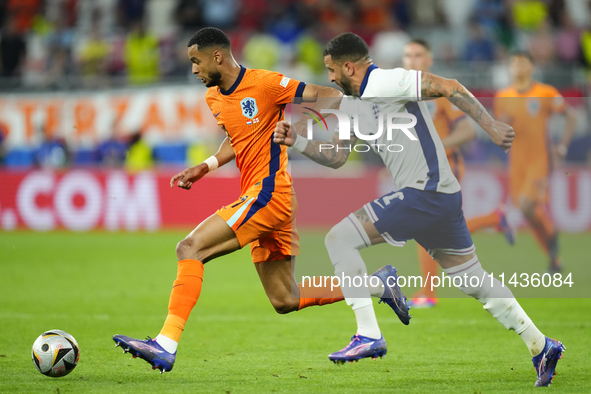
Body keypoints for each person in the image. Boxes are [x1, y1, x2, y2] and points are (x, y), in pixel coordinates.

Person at [113, 27, 409, 373]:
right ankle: (377, 284)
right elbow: (235, 137)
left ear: (217, 56)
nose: (193, 69)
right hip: (270, 197)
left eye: (196, 61)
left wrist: (354, 108)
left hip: (268, 194)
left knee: (189, 248)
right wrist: (206, 166)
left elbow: (319, 93)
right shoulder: (214, 97)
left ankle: (165, 344)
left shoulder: (265, 84)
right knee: (284, 299)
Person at [274, 32, 564, 386]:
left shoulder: (387, 80)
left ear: (349, 66)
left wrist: (489, 125)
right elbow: (336, 156)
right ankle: (541, 344)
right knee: (473, 280)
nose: (330, 78)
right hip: (438, 197)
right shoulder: (350, 104)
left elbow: (448, 85)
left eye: (332, 70)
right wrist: (298, 141)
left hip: (425, 190)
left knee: (338, 239)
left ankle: (368, 333)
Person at [402, 38, 514, 309]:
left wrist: (435, 144)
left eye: (418, 55)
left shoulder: (440, 92)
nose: (411, 60)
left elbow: (467, 131)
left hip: (445, 166)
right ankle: (493, 218)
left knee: (424, 227)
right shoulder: (402, 93)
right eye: (407, 56)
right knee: (440, 229)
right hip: (418, 169)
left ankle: (428, 293)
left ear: (429, 60)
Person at [494, 52, 577, 273]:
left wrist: (562, 146)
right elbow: (498, 130)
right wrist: (503, 124)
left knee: (525, 205)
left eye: (522, 63)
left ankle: (552, 236)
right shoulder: (503, 95)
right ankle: (554, 259)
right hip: (516, 163)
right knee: (528, 212)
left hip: (540, 160)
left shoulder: (545, 92)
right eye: (514, 64)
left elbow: (571, 117)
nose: (518, 67)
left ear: (532, 66)